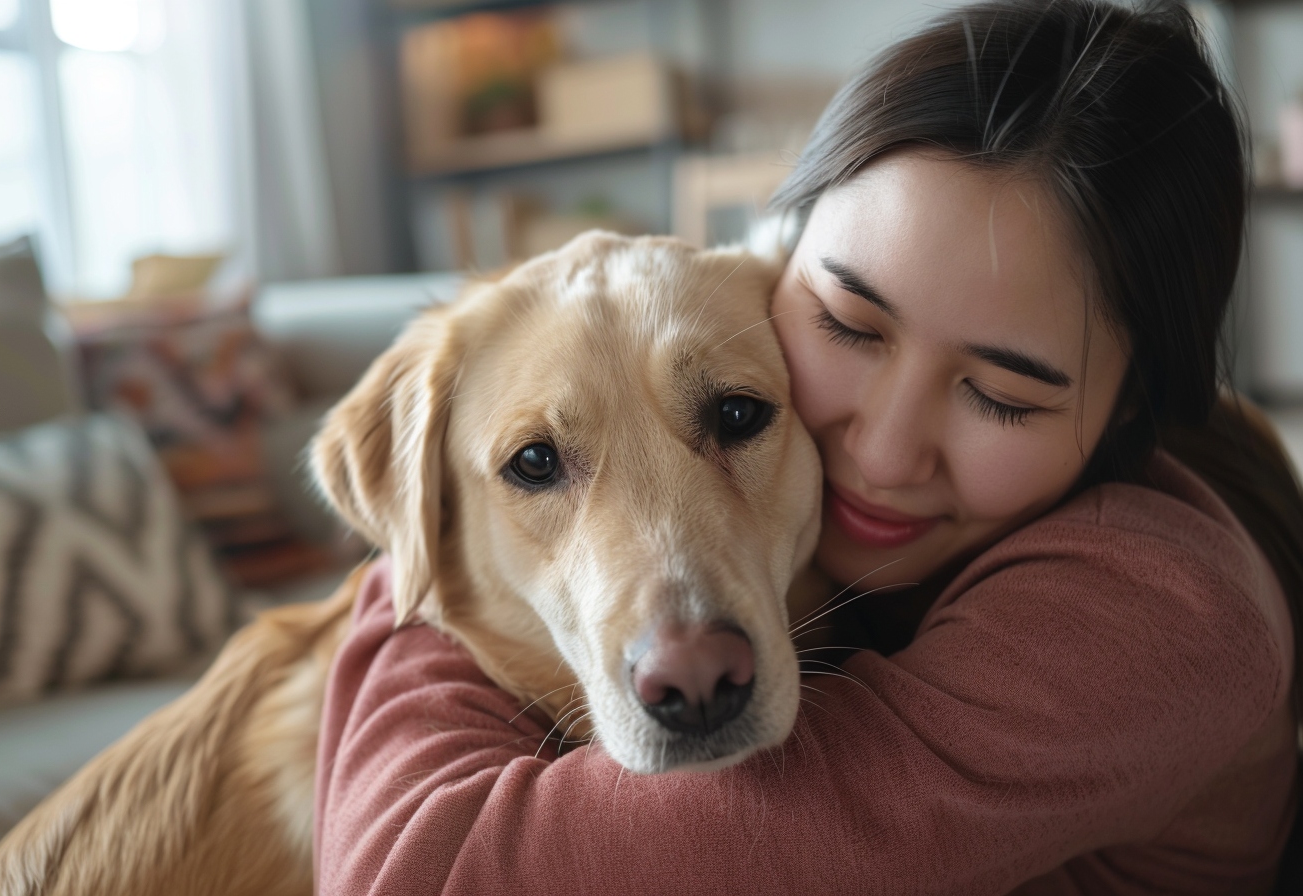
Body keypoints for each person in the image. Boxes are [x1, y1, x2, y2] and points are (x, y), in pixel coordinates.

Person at [314, 1, 1303, 892]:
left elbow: (413, 875)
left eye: (999, 394)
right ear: (787, 268)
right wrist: (419, 548)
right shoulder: (869, 550)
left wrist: (400, 603)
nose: (883, 452)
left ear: (1131, 410)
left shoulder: (1154, 618)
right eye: (849, 324)